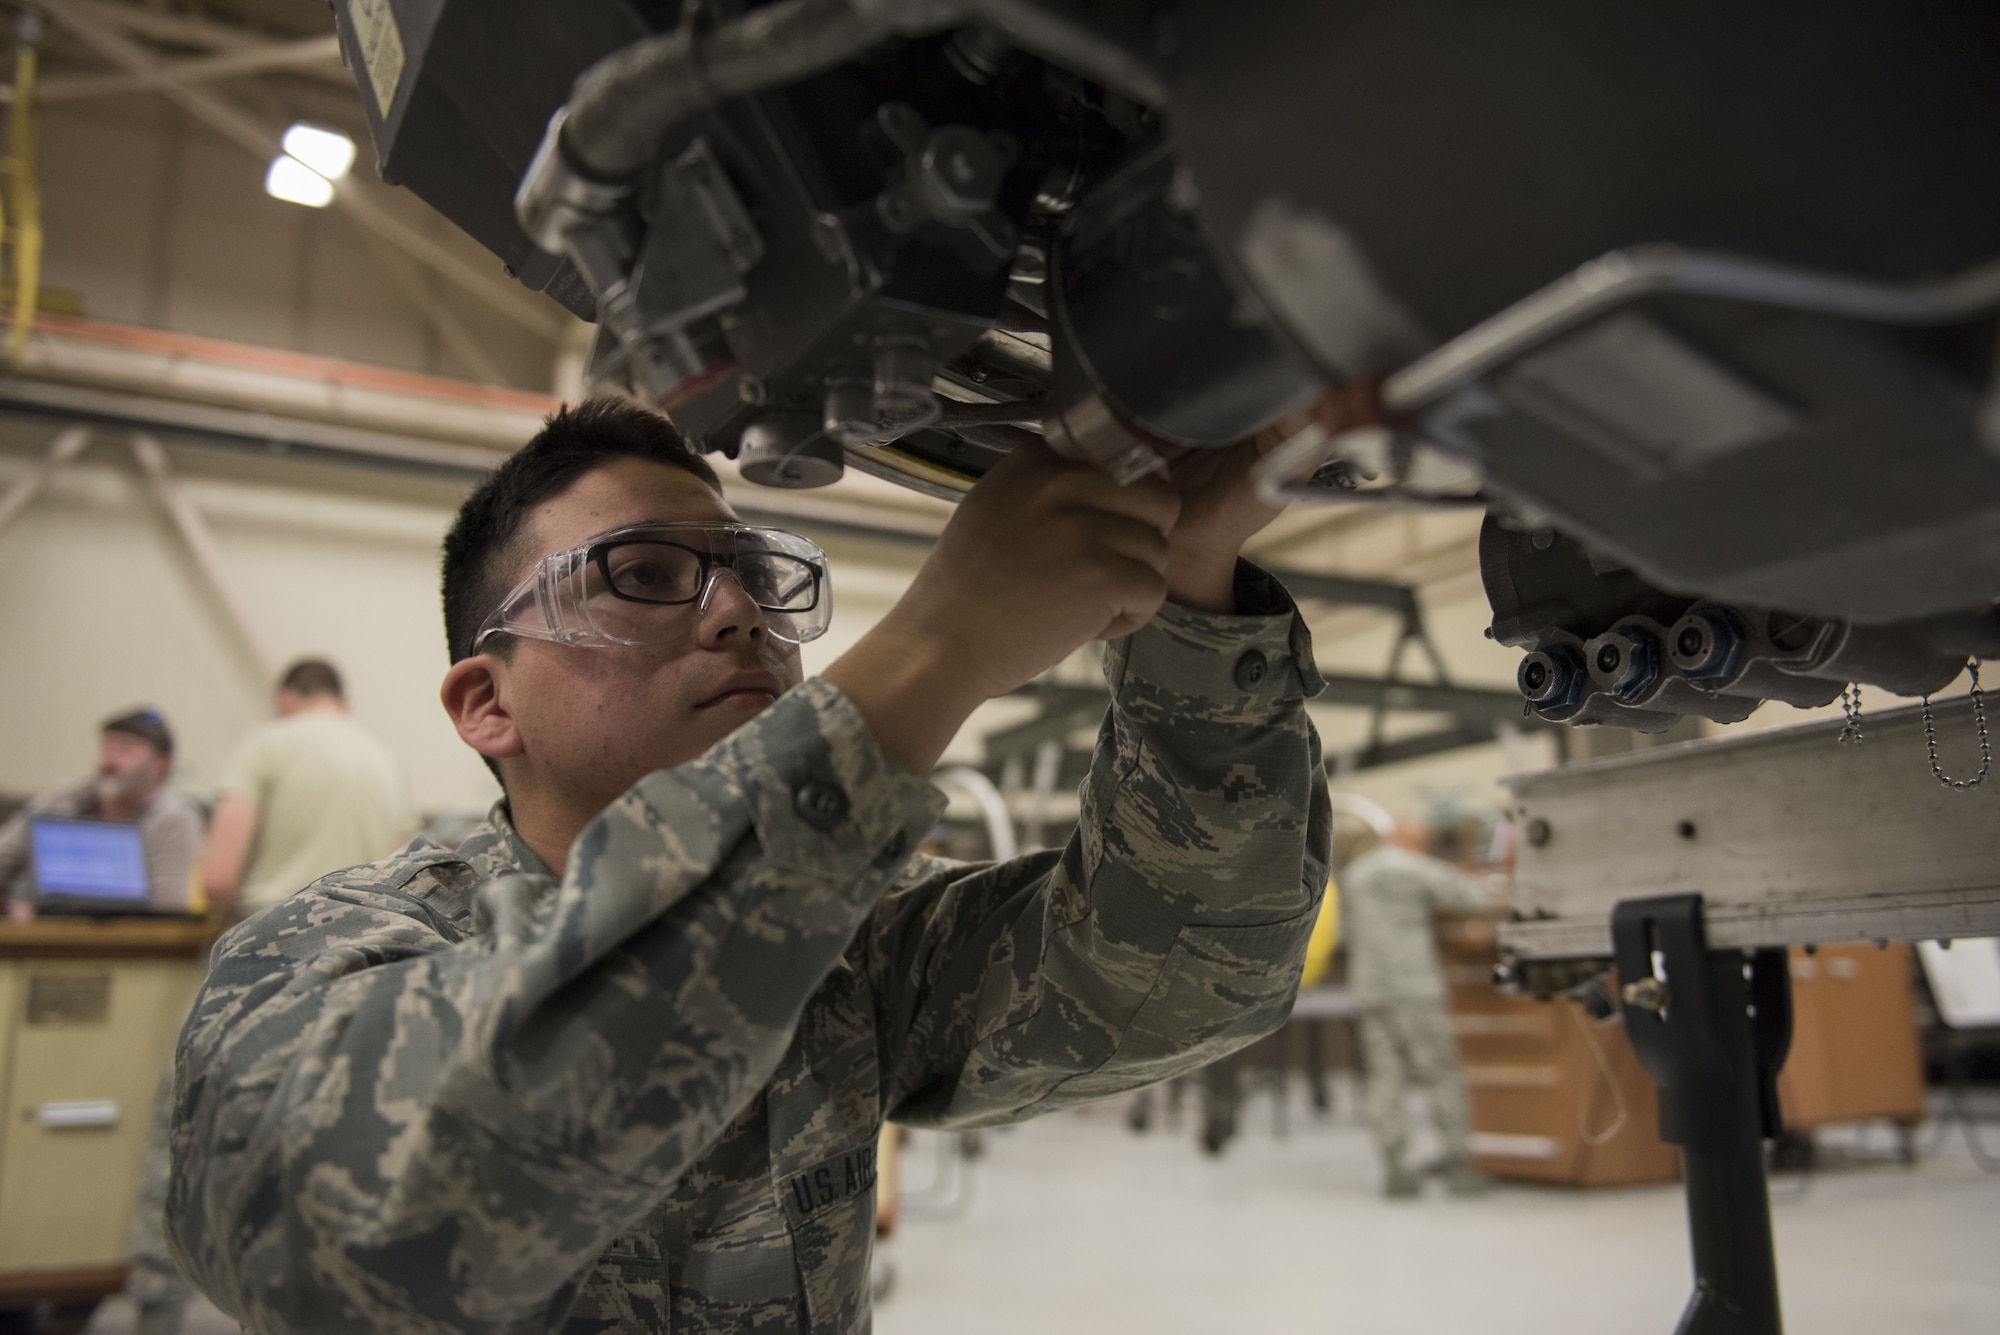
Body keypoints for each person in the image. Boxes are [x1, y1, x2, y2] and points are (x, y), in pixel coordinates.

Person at [166, 398, 1329, 1334]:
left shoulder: (849, 932)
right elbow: (373, 1229)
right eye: (642, 574)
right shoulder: (314, 957)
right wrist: (940, 646)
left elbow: (1183, 972)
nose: (736, 611)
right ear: (487, 704)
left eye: (752, 576)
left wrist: (1191, 590)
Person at [1333, 794, 1494, 1199]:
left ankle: (1394, 1169)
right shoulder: (1408, 867)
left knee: (1386, 1079)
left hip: (1369, 988)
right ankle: (1459, 1166)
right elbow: (1471, 896)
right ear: (1410, 839)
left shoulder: (1354, 874)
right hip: (1414, 988)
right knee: (1440, 1073)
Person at [201, 658, 415, 921]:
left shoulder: (264, 746)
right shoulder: (386, 760)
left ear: (285, 699)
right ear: (344, 702)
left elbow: (218, 880)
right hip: (366, 935)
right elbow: (403, 872)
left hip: (275, 931)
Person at [0, 708, 202, 919]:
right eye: (108, 747)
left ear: (161, 764)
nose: (110, 761)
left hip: (125, 944)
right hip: (36, 934)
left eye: (126, 750)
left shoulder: (174, 819)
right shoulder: (62, 798)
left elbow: (167, 910)